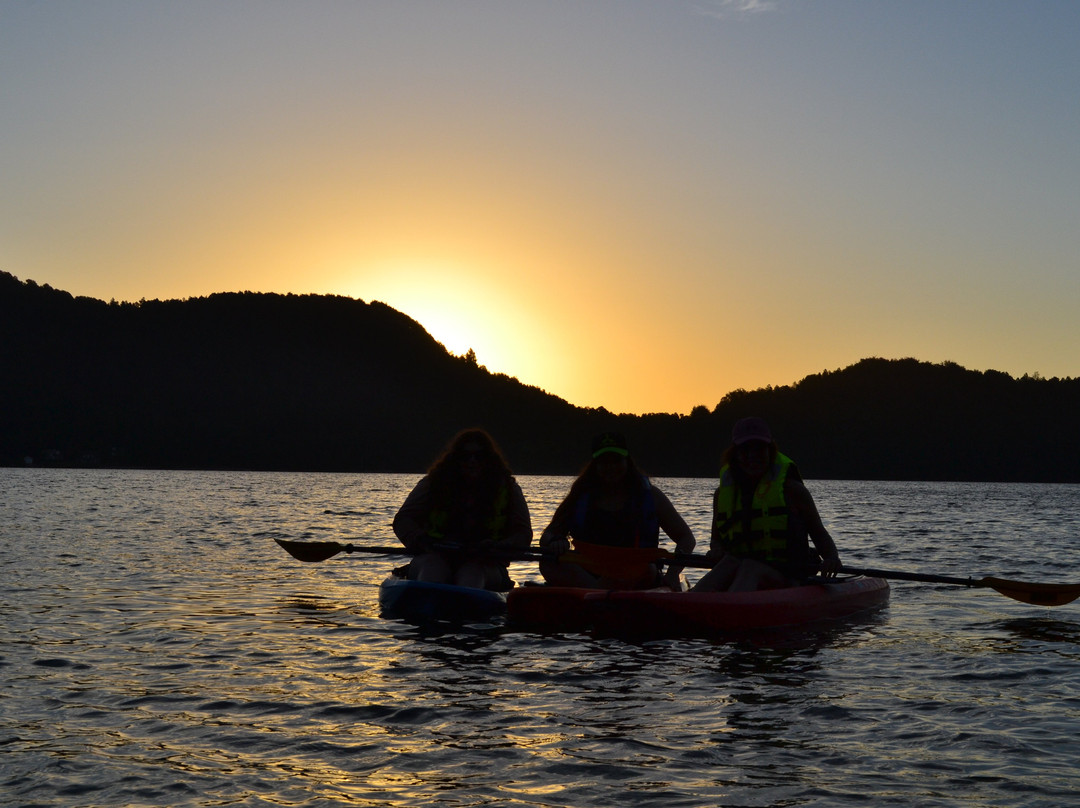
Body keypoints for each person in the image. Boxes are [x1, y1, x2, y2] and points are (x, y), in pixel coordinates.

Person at [691, 416, 843, 592]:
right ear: (735, 454)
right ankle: (693, 601)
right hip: (740, 569)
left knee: (750, 567)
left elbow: (819, 534)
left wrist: (831, 558)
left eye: (759, 449)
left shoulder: (793, 490)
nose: (752, 456)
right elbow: (716, 539)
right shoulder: (722, 494)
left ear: (770, 450)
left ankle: (732, 610)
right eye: (745, 450)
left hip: (788, 574)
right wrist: (716, 549)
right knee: (730, 562)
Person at [538, 431, 695, 590]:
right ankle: (600, 590)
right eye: (604, 462)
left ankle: (598, 592)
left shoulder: (650, 496)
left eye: (616, 461)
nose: (611, 467)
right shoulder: (579, 496)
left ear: (627, 461)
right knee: (547, 562)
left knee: (648, 570)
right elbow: (547, 535)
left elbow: (686, 538)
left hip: (635, 572)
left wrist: (673, 573)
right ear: (595, 465)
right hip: (588, 570)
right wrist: (555, 541)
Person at [393, 428, 532, 590]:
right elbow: (403, 519)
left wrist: (500, 546)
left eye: (479, 456)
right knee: (432, 573)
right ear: (455, 459)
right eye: (465, 456)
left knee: (471, 577)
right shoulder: (432, 483)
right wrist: (420, 539)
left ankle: (466, 604)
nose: (472, 461)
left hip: (485, 563)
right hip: (434, 555)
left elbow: (523, 533)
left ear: (489, 460)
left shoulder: (509, 488)